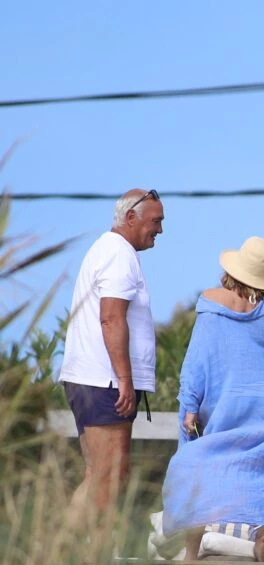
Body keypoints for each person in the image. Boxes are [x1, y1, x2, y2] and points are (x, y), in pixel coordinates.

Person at [160, 236, 264, 563]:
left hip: (224, 402)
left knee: (196, 468)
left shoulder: (210, 303)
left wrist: (191, 403)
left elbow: (198, 359)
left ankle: (190, 555)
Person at [59, 188, 163, 516]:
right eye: (156, 221)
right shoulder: (118, 254)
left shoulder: (112, 249)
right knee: (110, 477)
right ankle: (96, 559)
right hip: (104, 382)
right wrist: (124, 379)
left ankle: (63, 554)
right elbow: (111, 318)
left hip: (95, 380)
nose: (160, 230)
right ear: (130, 218)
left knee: (101, 476)